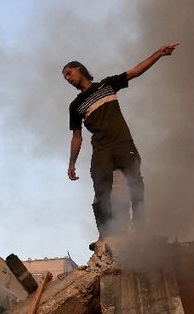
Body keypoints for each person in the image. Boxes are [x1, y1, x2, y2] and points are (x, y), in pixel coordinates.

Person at [62, 43, 179, 248]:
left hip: (124, 144)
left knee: (136, 183)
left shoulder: (107, 85)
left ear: (80, 69)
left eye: (69, 73)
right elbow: (77, 136)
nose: (68, 79)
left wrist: (158, 54)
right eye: (65, 78)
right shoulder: (75, 106)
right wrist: (72, 164)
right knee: (101, 190)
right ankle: (105, 234)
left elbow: (134, 71)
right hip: (101, 149)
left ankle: (140, 227)